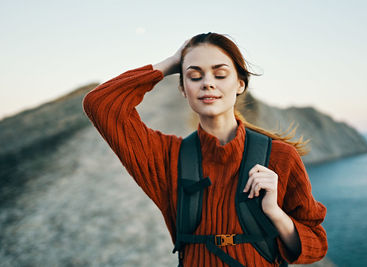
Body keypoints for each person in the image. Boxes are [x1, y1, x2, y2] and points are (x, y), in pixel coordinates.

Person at [82, 32, 328, 267]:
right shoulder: (167, 157)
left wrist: (274, 212)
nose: (208, 83)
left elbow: (316, 245)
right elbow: (100, 104)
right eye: (195, 76)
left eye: (220, 74)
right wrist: (171, 63)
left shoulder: (280, 156)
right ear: (183, 89)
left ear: (240, 84)